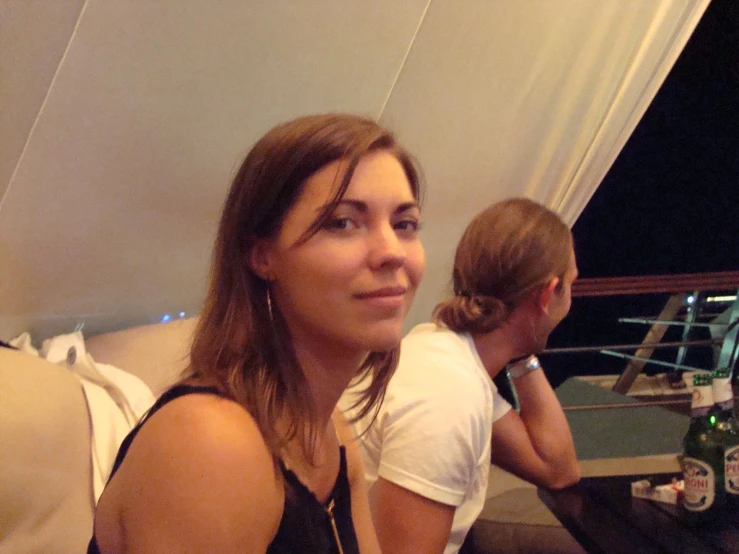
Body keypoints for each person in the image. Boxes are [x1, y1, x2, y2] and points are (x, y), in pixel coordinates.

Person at [88, 113, 426, 553]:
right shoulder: (210, 444)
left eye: (404, 224)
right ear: (263, 256)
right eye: (342, 222)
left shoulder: (333, 435)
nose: (391, 253)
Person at [341, 198, 581, 554]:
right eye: (571, 286)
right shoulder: (448, 396)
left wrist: (521, 349)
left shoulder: (446, 353)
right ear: (548, 294)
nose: (571, 300)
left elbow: (557, 469)